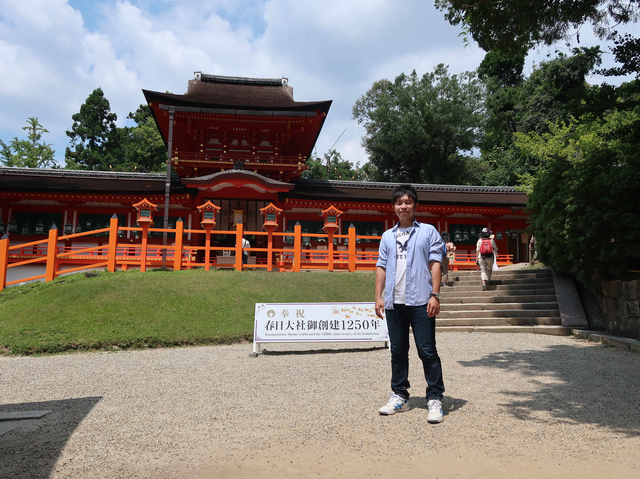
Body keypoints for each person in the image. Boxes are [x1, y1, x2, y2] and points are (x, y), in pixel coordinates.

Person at [375, 184, 445, 424]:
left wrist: (435, 294)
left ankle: (435, 397)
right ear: (394, 207)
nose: (403, 206)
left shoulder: (427, 232)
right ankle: (400, 396)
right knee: (397, 351)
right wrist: (378, 296)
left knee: (427, 350)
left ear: (415, 205)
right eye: (398, 202)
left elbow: (436, 263)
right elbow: (381, 267)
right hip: (395, 302)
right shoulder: (387, 236)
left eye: (407, 202)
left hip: (421, 300)